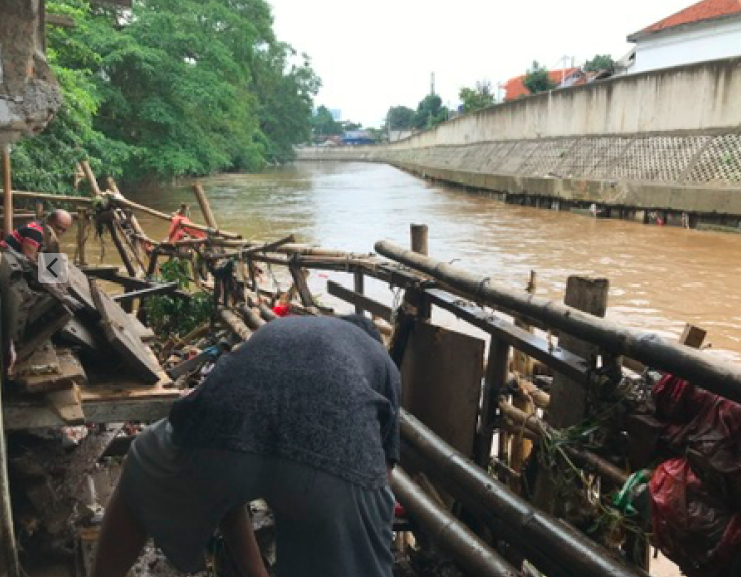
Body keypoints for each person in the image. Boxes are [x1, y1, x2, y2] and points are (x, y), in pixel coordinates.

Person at [92, 315, 401, 577]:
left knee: (144, 461)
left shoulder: (285, 327)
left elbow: (227, 484)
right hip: (335, 462)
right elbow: (382, 477)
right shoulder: (380, 359)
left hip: (218, 440)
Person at [0, 208, 73, 262]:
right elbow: (28, 258)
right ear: (49, 221)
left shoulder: (48, 234)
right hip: (4, 257)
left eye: (64, 230)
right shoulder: (35, 232)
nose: (60, 232)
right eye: (58, 227)